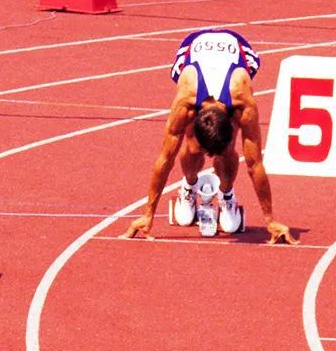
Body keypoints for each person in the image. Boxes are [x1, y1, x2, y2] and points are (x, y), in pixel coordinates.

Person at [126, 27, 294, 243]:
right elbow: (165, 158)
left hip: (238, 50)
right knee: (191, 145)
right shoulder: (186, 100)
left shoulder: (242, 100)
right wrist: (147, 215)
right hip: (193, 49)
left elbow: (255, 164)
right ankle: (189, 187)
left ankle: (226, 193)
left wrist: (270, 220)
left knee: (227, 151)